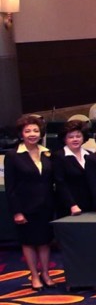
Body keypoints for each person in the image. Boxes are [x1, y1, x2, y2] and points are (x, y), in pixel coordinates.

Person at [7, 115, 56, 289]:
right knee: (28, 242)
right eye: (28, 131)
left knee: (44, 241)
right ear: (21, 134)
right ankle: (34, 276)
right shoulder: (13, 155)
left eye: (35, 130)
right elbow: (10, 187)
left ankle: (46, 274)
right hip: (25, 207)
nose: (32, 134)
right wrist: (17, 212)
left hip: (46, 206)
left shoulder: (47, 153)